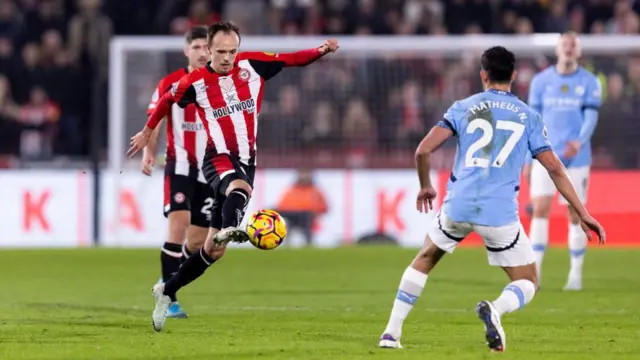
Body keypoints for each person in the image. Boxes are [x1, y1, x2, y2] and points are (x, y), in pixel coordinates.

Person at [377, 46, 605, 352]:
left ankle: (391, 333)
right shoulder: (529, 116)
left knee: (425, 258)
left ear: (483, 75)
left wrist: (425, 186)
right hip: (499, 213)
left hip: (458, 204)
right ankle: (495, 309)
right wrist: (583, 212)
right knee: (527, 280)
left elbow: (423, 151)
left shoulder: (462, 107)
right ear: (513, 76)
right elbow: (554, 167)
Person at [127, 21, 339, 332]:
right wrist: (147, 133)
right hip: (215, 158)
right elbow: (166, 101)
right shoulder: (195, 82)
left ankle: (168, 289)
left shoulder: (253, 65)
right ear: (209, 50)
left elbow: (293, 59)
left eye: (232, 51)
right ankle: (229, 227)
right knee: (237, 189)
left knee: (213, 250)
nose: (227, 58)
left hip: (247, 160)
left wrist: (321, 50)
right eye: (221, 52)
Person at [141, 26, 211, 319]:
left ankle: (165, 281)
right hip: (179, 164)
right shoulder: (170, 82)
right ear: (186, 51)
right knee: (177, 227)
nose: (202, 52)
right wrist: (148, 151)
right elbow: (155, 120)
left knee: (198, 243)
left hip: (211, 171)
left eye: (206, 47)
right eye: (195, 47)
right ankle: (169, 298)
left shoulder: (222, 82)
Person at [524, 31, 603, 291]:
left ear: (578, 51)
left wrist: (580, 140)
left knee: (575, 213)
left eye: (573, 45)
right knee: (540, 209)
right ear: (558, 49)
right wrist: (527, 156)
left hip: (576, 158)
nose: (569, 48)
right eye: (565, 44)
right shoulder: (541, 81)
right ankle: (537, 275)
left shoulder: (589, 82)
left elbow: (590, 117)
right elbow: (533, 121)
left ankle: (575, 275)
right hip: (544, 155)